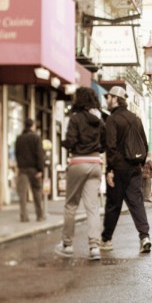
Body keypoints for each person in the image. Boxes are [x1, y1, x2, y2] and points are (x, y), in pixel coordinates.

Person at [56, 87, 105, 260]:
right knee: (92, 207)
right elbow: (105, 143)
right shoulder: (99, 120)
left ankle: (67, 245)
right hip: (95, 163)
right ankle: (94, 248)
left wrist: (63, 143)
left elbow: (70, 141)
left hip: (78, 162)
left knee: (71, 205)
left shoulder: (75, 118)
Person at [103, 86, 152, 253]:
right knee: (137, 203)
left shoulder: (112, 119)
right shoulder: (136, 119)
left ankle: (107, 239)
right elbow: (144, 144)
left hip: (118, 169)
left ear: (116, 98)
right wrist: (140, 163)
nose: (107, 100)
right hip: (134, 168)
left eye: (108, 96)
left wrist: (110, 169)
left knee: (113, 205)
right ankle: (144, 237)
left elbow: (110, 146)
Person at [14, 118, 46, 223]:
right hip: (34, 169)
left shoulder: (19, 138)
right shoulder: (36, 138)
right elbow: (39, 154)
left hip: (22, 169)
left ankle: (24, 217)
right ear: (32, 126)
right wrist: (40, 169)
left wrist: (19, 166)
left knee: (22, 194)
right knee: (36, 192)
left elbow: (17, 154)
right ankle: (40, 215)